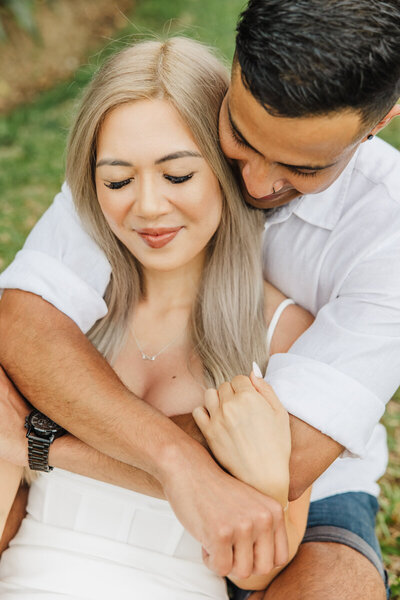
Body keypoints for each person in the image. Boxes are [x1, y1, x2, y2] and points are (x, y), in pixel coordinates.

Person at [0, 0, 399, 598]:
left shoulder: (387, 232)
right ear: (231, 74)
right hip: (91, 501)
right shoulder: (161, 128)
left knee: (334, 587)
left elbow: (282, 459)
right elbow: (26, 323)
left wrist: (43, 441)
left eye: (301, 166)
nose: (257, 185)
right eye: (241, 137)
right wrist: (173, 462)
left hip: (312, 485)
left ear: (381, 121)